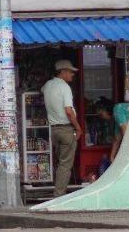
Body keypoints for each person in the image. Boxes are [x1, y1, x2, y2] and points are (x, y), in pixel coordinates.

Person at [41, 59, 82, 196]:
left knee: (59, 163)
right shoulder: (64, 87)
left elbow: (42, 91)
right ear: (63, 72)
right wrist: (78, 127)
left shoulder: (47, 85)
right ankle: (58, 195)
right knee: (65, 165)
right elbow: (69, 111)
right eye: (70, 72)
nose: (72, 75)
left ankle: (58, 191)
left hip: (53, 130)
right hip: (65, 129)